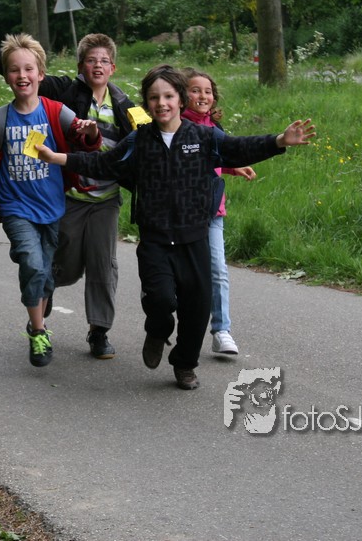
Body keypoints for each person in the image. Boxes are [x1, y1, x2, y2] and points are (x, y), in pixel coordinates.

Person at [36, 64, 315, 390]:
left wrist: (279, 140)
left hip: (194, 238)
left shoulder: (204, 137)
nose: (161, 103)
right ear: (147, 103)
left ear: (181, 100)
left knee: (196, 309)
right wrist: (58, 158)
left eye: (168, 96)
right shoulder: (139, 140)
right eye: (154, 98)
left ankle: (184, 364)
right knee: (160, 301)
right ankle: (157, 332)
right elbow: (103, 163)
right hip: (155, 239)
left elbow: (238, 148)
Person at [0, 31, 137, 359]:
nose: (97, 66)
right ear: (80, 66)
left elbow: (143, 143)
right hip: (68, 195)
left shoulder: (125, 104)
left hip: (106, 198)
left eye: (104, 61)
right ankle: (44, 288)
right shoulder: (65, 92)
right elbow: (24, 73)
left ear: (113, 67)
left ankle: (99, 331)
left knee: (103, 265)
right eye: (90, 60)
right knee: (64, 267)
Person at [0, 33, 101, 368]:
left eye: (28, 69)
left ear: (40, 74)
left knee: (45, 273)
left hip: (52, 208)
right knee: (32, 262)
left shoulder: (56, 112)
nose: (22, 75)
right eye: (14, 70)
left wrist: (90, 132)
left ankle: (36, 320)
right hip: (15, 207)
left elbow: (84, 143)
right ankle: (39, 331)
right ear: (6, 76)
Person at [181, 69, 256, 356]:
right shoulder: (176, 125)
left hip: (212, 211)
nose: (202, 96)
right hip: (180, 213)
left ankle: (221, 330)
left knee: (218, 270)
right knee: (181, 274)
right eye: (195, 90)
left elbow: (218, 156)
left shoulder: (215, 127)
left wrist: (234, 168)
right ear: (182, 94)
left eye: (208, 91)